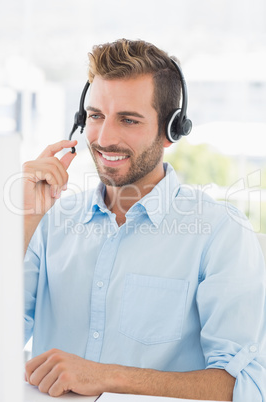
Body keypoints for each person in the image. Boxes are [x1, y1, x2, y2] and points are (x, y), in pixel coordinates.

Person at [23, 39, 266, 401]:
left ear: (171, 131)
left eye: (129, 120)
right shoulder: (48, 223)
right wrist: (24, 221)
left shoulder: (220, 233)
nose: (104, 138)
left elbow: (245, 388)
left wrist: (106, 377)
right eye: (95, 116)